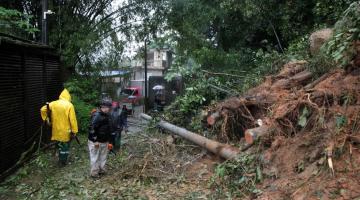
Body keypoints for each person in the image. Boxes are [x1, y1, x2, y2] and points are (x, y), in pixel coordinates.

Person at [40, 89, 78, 166]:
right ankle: (63, 161)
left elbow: (42, 109)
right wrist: (74, 131)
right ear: (68, 97)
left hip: (56, 130)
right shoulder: (69, 105)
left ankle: (60, 157)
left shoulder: (53, 104)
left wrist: (47, 120)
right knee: (65, 146)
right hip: (66, 131)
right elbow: (72, 120)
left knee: (60, 144)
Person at [88, 100, 113, 178]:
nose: (107, 109)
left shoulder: (107, 115)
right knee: (95, 157)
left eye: (108, 108)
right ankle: (94, 174)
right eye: (105, 107)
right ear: (102, 107)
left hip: (104, 140)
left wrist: (110, 141)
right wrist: (95, 140)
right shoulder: (97, 116)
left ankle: (102, 170)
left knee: (103, 156)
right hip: (96, 141)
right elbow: (91, 128)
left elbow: (108, 129)